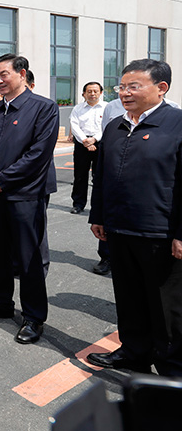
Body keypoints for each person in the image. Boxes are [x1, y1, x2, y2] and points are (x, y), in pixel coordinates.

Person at [87, 59, 182, 377]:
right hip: (119, 228)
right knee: (128, 297)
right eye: (122, 87)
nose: (124, 93)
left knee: (166, 307)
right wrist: (98, 215)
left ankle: (172, 370)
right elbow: (101, 175)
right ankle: (134, 352)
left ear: (161, 88)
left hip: (160, 234)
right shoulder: (115, 126)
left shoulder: (177, 124)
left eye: (134, 86)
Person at [0, 54, 59, 345]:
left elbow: (38, 154)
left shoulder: (44, 108)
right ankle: (1, 303)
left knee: (28, 257)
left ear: (22, 74)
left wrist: (1, 179)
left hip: (26, 194)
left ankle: (34, 317)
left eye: (4, 75)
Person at [69, 82, 106, 216]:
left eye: (95, 91)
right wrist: (85, 141)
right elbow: (74, 125)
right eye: (89, 91)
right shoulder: (77, 109)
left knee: (99, 176)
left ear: (101, 93)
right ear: (84, 94)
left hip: (101, 143)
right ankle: (78, 204)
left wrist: (94, 139)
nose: (92, 94)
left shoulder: (107, 108)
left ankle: (98, 206)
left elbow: (107, 125)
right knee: (80, 175)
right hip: (81, 144)